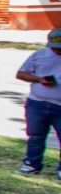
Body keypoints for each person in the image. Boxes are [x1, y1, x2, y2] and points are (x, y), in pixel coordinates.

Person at [17, 28, 61, 177]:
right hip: (37, 103)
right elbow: (21, 74)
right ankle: (32, 164)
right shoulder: (39, 55)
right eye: (55, 48)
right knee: (36, 136)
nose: (57, 51)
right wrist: (39, 79)